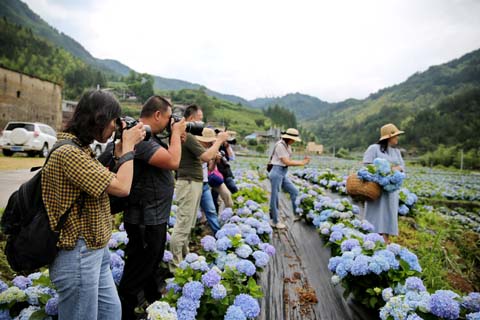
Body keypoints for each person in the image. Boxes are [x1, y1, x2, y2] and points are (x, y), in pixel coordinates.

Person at [42, 90, 146, 320]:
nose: (114, 129)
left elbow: (104, 185)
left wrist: (120, 157)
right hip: (77, 254)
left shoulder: (81, 149)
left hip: (95, 250)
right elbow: (122, 187)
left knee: (111, 313)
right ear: (99, 119)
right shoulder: (69, 152)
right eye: (113, 121)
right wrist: (128, 149)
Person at [118, 96, 186, 320]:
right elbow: (173, 162)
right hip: (145, 218)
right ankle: (124, 313)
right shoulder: (140, 136)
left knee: (150, 263)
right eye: (168, 118)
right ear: (158, 115)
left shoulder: (149, 136)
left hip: (152, 216)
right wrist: (175, 133)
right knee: (138, 268)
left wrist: (175, 136)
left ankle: (152, 302)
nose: (170, 123)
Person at [169, 105, 228, 270]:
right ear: (191, 119)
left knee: (187, 224)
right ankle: (175, 265)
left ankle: (185, 258)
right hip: (188, 183)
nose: (201, 122)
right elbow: (206, 156)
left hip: (193, 182)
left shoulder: (187, 136)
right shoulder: (186, 135)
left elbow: (204, 159)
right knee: (182, 224)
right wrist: (219, 140)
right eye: (200, 118)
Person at [363, 123, 405, 243]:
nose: (397, 138)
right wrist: (383, 171)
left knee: (388, 215)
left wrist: (396, 170)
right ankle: (372, 241)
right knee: (375, 216)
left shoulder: (396, 152)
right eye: (395, 135)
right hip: (376, 189)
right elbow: (367, 165)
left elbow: (402, 167)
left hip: (391, 191)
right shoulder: (373, 149)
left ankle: (385, 242)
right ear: (388, 137)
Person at [268, 128, 310, 229]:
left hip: (282, 172)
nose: (294, 141)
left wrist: (302, 161)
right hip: (276, 172)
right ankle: (275, 221)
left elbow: (288, 161)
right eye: (293, 139)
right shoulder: (280, 146)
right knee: (275, 197)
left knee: (294, 191)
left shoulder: (288, 146)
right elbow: (286, 161)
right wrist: (302, 163)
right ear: (289, 138)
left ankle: (296, 213)